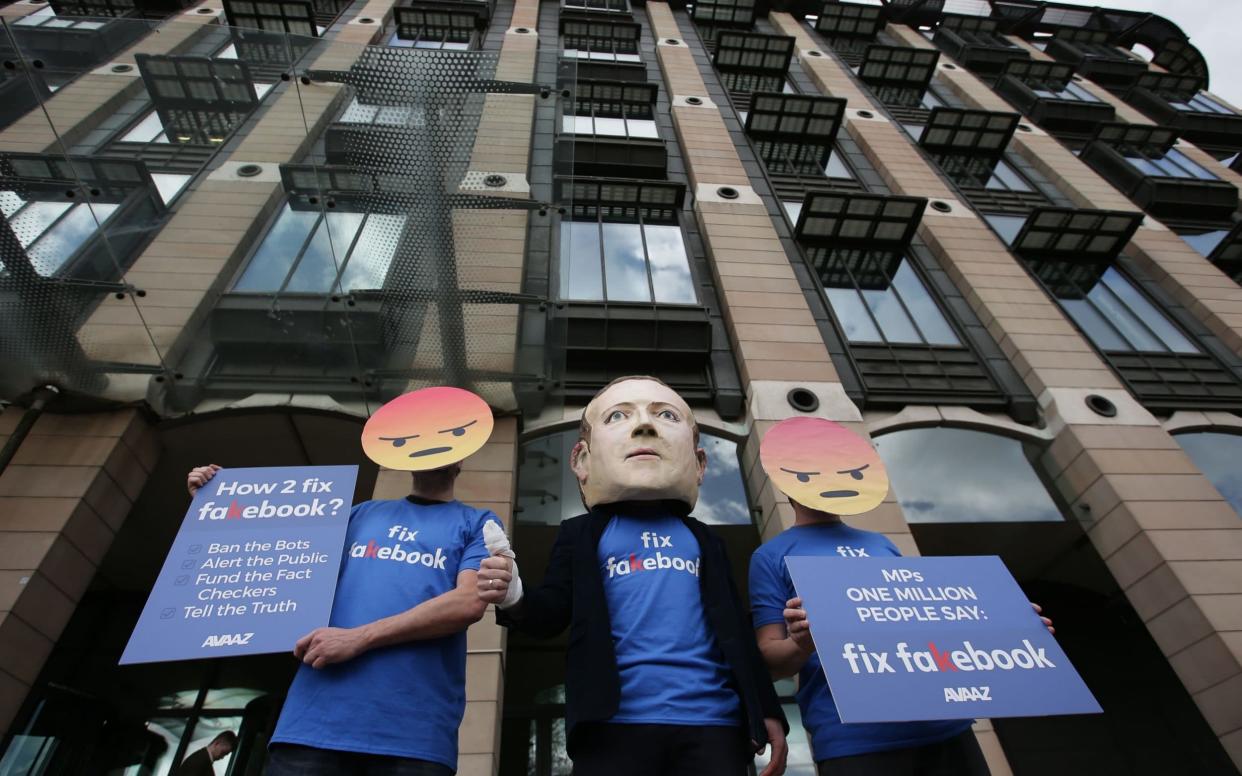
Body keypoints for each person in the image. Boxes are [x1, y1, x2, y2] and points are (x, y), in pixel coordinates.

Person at [476, 375, 788, 776]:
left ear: (700, 464)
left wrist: (766, 707)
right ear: (581, 461)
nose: (645, 427)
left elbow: (736, 631)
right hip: (613, 727)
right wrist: (514, 594)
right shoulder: (580, 534)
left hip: (714, 724)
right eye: (620, 416)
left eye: (666, 416)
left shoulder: (706, 539)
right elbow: (552, 612)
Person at [184, 387, 499, 775]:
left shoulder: (478, 522)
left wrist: (358, 637)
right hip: (313, 725)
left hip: (414, 733)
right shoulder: (358, 515)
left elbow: (468, 603)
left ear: (461, 456)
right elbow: (282, 564)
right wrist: (216, 505)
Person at [749, 417, 1054, 776]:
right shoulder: (771, 556)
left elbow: (923, 620)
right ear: (787, 480)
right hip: (855, 739)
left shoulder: (881, 543)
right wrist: (803, 643)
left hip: (943, 727)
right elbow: (770, 661)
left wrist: (1006, 624)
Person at [172, 730, 236, 776]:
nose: (222, 757)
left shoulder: (201, 758)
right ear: (217, 744)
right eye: (223, 752)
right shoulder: (199, 761)